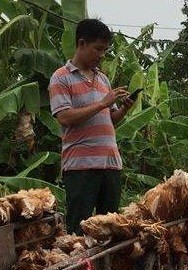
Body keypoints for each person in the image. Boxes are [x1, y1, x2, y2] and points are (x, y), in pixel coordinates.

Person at [49, 19, 133, 235]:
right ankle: (78, 269)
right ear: (82, 43)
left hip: (110, 164)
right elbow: (65, 117)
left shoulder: (103, 79)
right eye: (98, 49)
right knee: (79, 229)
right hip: (81, 167)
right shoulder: (61, 78)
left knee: (111, 228)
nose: (102, 54)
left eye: (105, 50)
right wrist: (102, 103)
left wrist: (123, 110)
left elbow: (109, 119)